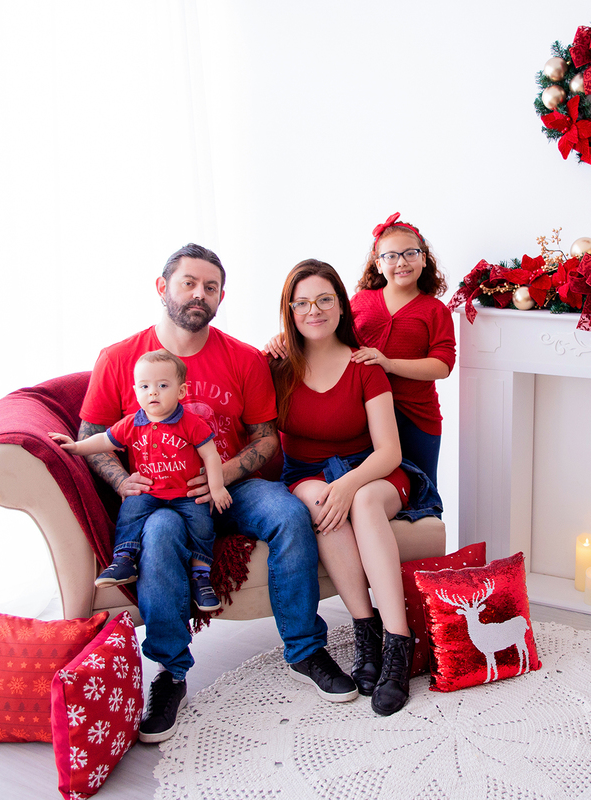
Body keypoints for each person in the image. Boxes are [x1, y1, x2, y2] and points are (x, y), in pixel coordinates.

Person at [78, 243, 357, 745]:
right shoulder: (120, 359)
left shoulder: (243, 358)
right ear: (162, 288)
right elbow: (92, 432)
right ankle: (171, 673)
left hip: (235, 487)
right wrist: (121, 482)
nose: (199, 294)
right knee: (160, 535)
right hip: (163, 500)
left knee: (289, 514)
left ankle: (305, 649)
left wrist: (222, 474)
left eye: (210, 287)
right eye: (188, 282)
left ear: (221, 296)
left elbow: (267, 437)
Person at [269, 259, 442, 716]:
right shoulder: (277, 367)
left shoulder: (365, 366)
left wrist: (349, 482)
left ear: (342, 307)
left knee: (361, 501)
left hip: (375, 472)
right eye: (303, 302)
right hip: (306, 474)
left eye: (325, 299)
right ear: (289, 309)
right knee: (322, 501)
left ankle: (397, 645)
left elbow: (388, 451)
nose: (315, 310)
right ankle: (366, 636)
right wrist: (334, 488)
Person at [267, 212, 455, 485]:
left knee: (421, 489)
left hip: (415, 415)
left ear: (424, 258)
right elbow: (327, 326)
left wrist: (388, 364)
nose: (401, 262)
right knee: (375, 478)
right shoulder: (362, 301)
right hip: (365, 412)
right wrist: (290, 335)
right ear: (378, 264)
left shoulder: (435, 311)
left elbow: (443, 365)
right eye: (391, 256)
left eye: (410, 253)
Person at [49, 349, 230, 614]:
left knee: (202, 522)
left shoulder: (192, 423)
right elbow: (103, 441)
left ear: (181, 392)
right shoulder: (132, 423)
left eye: (162, 385)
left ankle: (201, 574)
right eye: (145, 386)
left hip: (186, 493)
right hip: (149, 490)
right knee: (130, 510)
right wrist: (76, 447)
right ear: (136, 391)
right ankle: (124, 558)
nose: (153, 392)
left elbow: (210, 455)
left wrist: (216, 487)